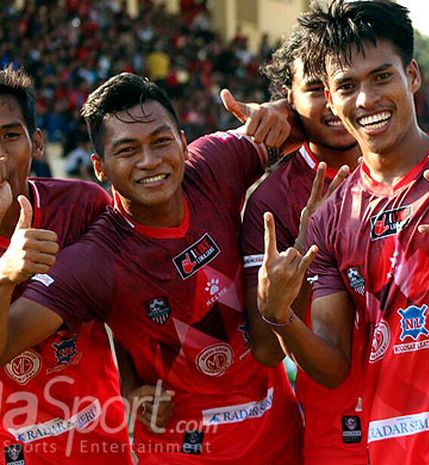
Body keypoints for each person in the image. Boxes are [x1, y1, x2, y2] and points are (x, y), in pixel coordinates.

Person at [254, 1, 429, 463]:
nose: (366, 100)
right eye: (347, 86)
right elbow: (333, 364)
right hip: (392, 440)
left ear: (413, 76)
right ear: (331, 98)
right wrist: (278, 315)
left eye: (382, 77)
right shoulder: (330, 217)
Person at [0, 72, 303, 464]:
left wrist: (280, 113)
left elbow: (309, 125)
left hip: (278, 440)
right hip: (173, 450)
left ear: (182, 141)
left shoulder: (215, 162)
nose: (149, 161)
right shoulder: (95, 259)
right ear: (101, 167)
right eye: (127, 150)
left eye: (161, 141)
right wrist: (6, 274)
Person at [241, 25, 366, 465]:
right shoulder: (272, 199)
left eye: (342, 84)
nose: (333, 102)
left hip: (424, 404)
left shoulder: (409, 171)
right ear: (287, 100)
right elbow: (265, 347)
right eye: (315, 88)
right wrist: (308, 252)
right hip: (335, 421)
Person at [0, 66, 133, 463]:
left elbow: (127, 301)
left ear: (37, 143)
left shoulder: (83, 206)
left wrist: (134, 381)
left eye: (9, 135)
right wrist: (5, 272)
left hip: (98, 442)